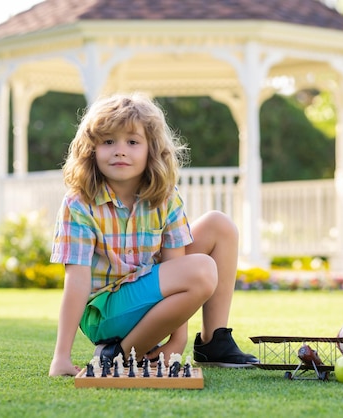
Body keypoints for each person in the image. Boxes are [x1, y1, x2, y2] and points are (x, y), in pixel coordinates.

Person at [48, 93, 257, 376]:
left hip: (148, 296)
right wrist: (61, 356)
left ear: (151, 150)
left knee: (219, 226)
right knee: (201, 270)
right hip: (106, 312)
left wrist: (178, 341)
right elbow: (76, 282)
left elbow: (176, 264)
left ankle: (213, 342)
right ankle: (116, 354)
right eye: (109, 141)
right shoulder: (80, 203)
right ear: (91, 149)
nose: (120, 150)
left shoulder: (165, 198)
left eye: (132, 142)